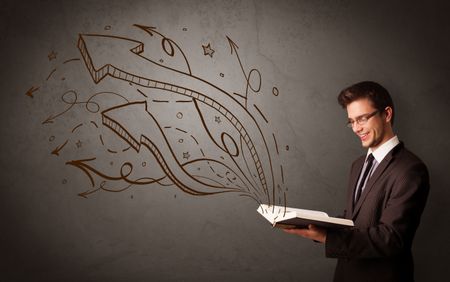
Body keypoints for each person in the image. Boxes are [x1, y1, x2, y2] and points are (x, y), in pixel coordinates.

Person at [284, 81, 429, 282]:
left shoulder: (410, 169)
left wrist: (328, 238)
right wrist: (315, 225)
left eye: (361, 119)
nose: (356, 128)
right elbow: (357, 220)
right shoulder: (358, 164)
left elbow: (392, 238)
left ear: (387, 114)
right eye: (351, 121)